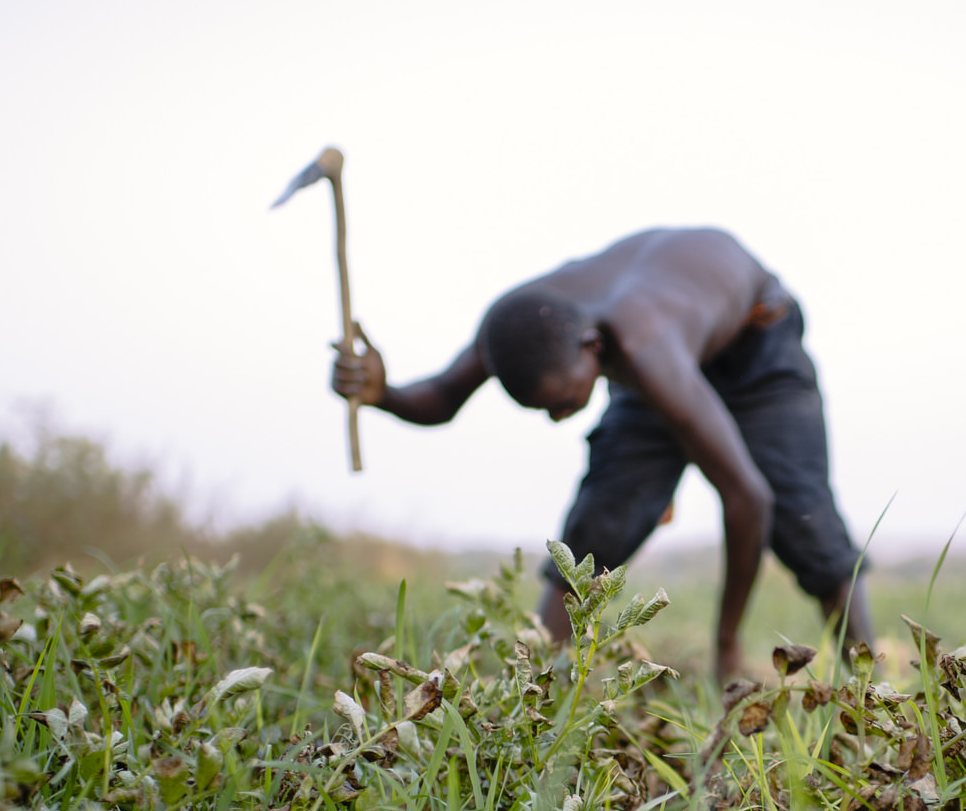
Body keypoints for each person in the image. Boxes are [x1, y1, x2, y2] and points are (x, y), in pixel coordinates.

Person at [329, 227, 872, 682]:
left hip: (754, 345)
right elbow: (443, 397)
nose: (559, 418)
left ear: (593, 349)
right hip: (650, 361)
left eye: (566, 402)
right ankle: (540, 691)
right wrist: (384, 394)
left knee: (807, 526)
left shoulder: (643, 346)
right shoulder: (519, 327)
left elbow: (747, 497)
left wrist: (727, 644)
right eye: (543, 410)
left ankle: (873, 702)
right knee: (593, 533)